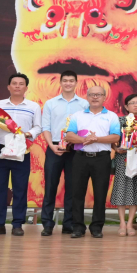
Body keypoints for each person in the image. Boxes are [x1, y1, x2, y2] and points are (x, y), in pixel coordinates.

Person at [0, 72, 43, 236]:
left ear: (26, 87)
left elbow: (38, 127)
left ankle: (17, 224)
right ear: (8, 87)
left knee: (20, 188)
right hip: (0, 150)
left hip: (21, 150)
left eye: (21, 83)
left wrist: (27, 134)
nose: (17, 86)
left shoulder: (33, 106)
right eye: (14, 83)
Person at [62, 86, 120, 238]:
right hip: (80, 157)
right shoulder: (78, 115)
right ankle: (78, 227)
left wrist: (97, 139)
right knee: (77, 193)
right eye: (92, 95)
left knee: (100, 194)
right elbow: (69, 135)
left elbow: (115, 137)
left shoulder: (112, 116)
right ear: (87, 97)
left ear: (104, 97)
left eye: (99, 95)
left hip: (102, 158)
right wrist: (84, 140)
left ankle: (97, 227)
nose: (95, 97)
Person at [40, 71, 87, 236]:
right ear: (60, 82)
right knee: (50, 186)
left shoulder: (84, 104)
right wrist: (51, 146)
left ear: (76, 83)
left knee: (73, 187)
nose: (68, 83)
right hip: (54, 148)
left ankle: (69, 223)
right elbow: (45, 127)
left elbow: (86, 126)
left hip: (75, 149)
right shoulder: (50, 103)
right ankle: (47, 223)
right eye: (65, 80)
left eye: (71, 81)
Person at [111, 94, 137, 236]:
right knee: (121, 189)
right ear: (126, 106)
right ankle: (121, 223)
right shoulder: (119, 121)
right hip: (122, 159)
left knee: (135, 192)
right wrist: (115, 148)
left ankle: (130, 223)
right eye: (132, 103)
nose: (136, 105)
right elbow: (112, 138)